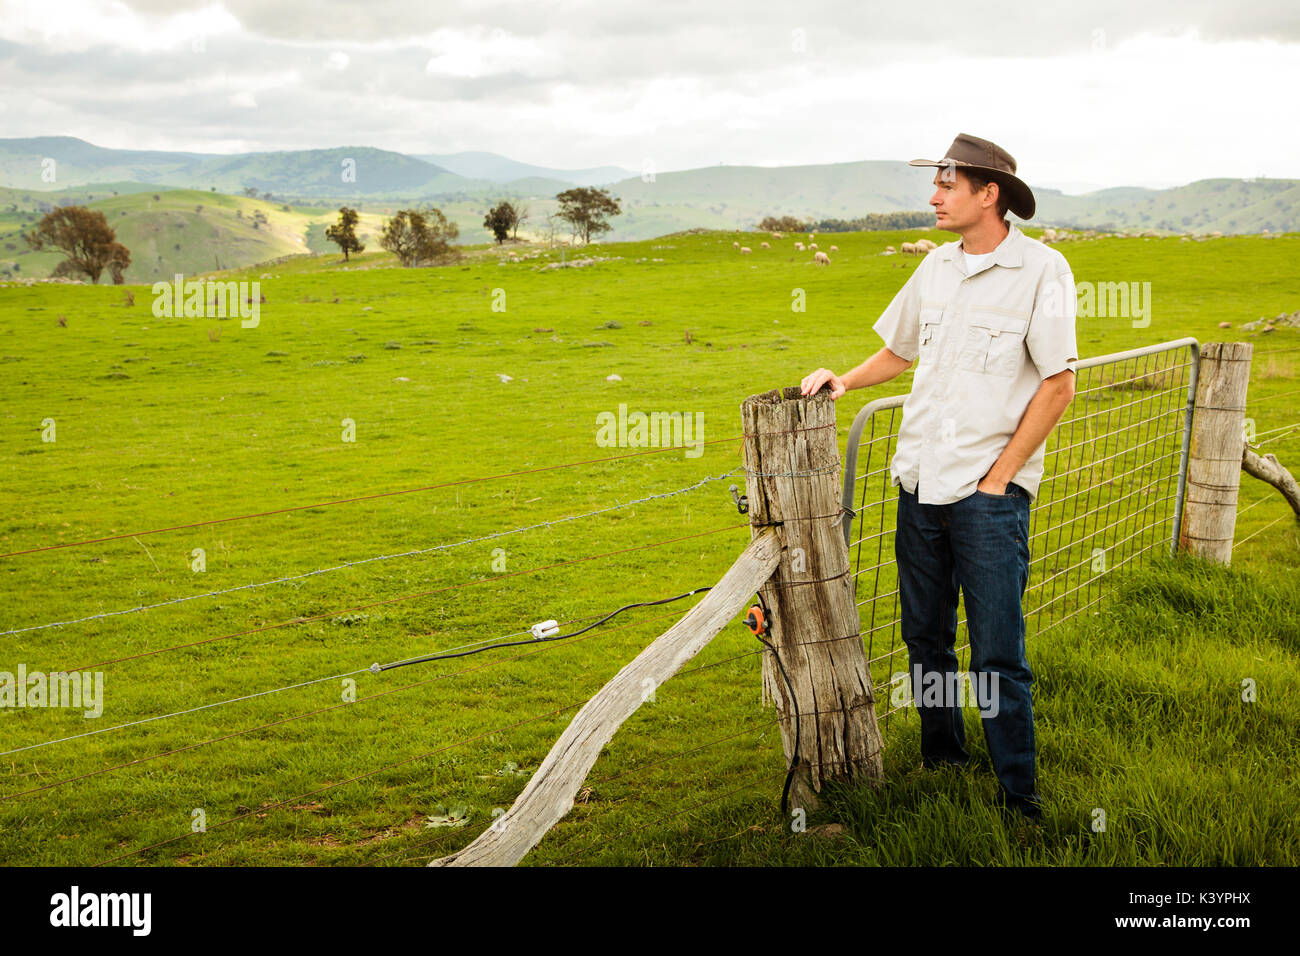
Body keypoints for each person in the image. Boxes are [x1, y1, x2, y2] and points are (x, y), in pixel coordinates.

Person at [800, 133, 1078, 823]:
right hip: (918, 484)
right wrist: (844, 379)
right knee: (926, 638)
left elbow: (1060, 384)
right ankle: (943, 760)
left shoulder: (1043, 271)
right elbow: (899, 349)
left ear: (989, 194)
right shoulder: (935, 269)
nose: (933, 196)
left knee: (996, 655)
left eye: (947, 185)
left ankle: (1021, 799)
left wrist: (1000, 479)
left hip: (987, 496)